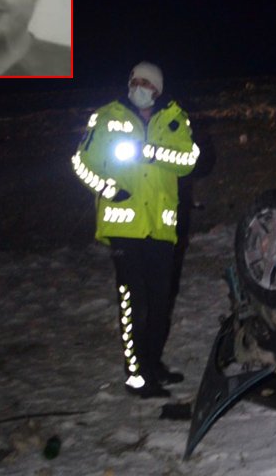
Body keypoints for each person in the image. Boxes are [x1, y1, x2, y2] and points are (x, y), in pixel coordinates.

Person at [71, 61, 199, 398]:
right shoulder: (107, 117)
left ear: (157, 88)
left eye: (146, 82)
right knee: (132, 301)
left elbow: (190, 161)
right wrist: (108, 189)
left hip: (160, 227)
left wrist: (154, 152)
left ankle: (152, 363)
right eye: (134, 80)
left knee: (160, 301)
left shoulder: (175, 118)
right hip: (123, 227)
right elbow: (80, 164)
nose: (138, 86)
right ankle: (136, 375)